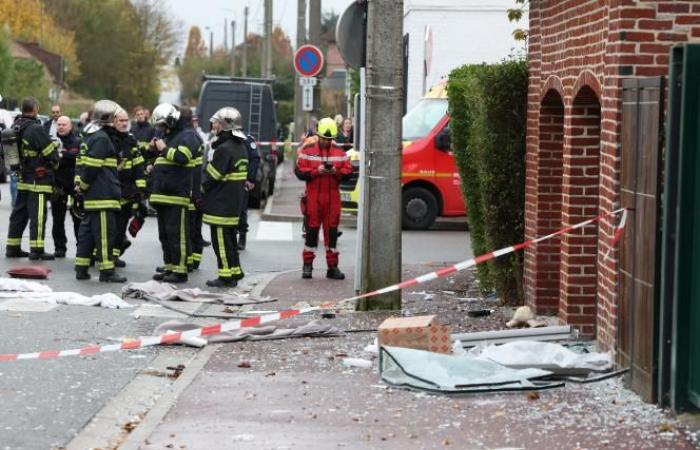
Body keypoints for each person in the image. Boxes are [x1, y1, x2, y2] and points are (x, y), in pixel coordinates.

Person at [73, 100, 126, 282]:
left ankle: (81, 268)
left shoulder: (90, 136)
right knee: (104, 236)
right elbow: (92, 168)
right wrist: (84, 186)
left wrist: (81, 186)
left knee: (87, 233)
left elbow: (83, 164)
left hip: (93, 196)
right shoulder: (101, 138)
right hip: (103, 196)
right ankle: (107, 272)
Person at [294, 117, 353, 280]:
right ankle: (307, 266)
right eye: (324, 138)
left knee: (332, 234)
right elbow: (299, 171)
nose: (326, 142)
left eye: (329, 139)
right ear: (318, 135)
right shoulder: (308, 150)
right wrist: (315, 171)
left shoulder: (339, 153)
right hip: (313, 197)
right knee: (311, 233)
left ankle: (332, 267)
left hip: (332, 198)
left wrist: (335, 172)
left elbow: (349, 172)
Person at [6, 97, 59, 260]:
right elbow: (51, 154)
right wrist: (55, 159)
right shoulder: (36, 128)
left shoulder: (15, 126)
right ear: (35, 109)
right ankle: (37, 250)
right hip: (38, 180)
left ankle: (12, 248)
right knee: (38, 216)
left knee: (19, 215)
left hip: (23, 178)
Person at [149, 103, 198, 283]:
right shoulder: (171, 136)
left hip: (176, 195)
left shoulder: (189, 136)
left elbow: (182, 158)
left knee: (177, 235)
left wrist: (163, 149)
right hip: (163, 193)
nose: (161, 129)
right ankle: (169, 266)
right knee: (165, 235)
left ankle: (180, 271)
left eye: (163, 125)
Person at [201, 107, 248, 288]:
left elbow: (211, 177)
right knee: (230, 241)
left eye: (217, 123)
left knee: (220, 241)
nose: (214, 125)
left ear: (225, 126)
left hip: (221, 204)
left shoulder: (224, 149)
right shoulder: (240, 146)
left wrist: (198, 190)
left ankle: (225, 276)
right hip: (233, 203)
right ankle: (235, 271)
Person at [112, 109, 146, 267]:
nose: (124, 123)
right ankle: (99, 255)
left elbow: (139, 167)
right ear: (113, 121)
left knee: (120, 227)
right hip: (110, 191)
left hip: (127, 192)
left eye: (126, 120)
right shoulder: (107, 139)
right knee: (108, 227)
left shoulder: (131, 140)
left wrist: (140, 191)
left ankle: (113, 256)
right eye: (121, 120)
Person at [51, 116, 82, 257]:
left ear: (70, 126)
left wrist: (63, 155)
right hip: (58, 186)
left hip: (75, 186)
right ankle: (59, 248)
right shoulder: (51, 141)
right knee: (58, 219)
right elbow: (51, 159)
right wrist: (65, 155)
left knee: (78, 218)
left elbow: (75, 156)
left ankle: (81, 248)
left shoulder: (77, 141)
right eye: (59, 124)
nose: (61, 127)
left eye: (64, 124)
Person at [179, 108, 205, 270]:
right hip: (195, 190)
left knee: (190, 229)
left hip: (191, 191)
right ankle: (192, 260)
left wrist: (195, 195)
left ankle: (191, 260)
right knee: (193, 228)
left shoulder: (189, 137)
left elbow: (191, 167)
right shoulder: (193, 135)